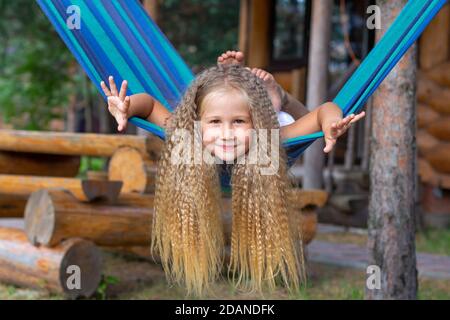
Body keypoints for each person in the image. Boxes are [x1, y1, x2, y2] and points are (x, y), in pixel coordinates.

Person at [100, 54, 364, 297]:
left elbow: (321, 112)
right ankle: (248, 83)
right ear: (196, 121)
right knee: (232, 98)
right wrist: (127, 107)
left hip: (273, 124)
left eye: (238, 122)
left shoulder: (272, 135)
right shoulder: (187, 132)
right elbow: (147, 105)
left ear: (255, 122)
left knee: (288, 115)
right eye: (214, 122)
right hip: (244, 121)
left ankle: (277, 96)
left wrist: (330, 123)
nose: (226, 133)